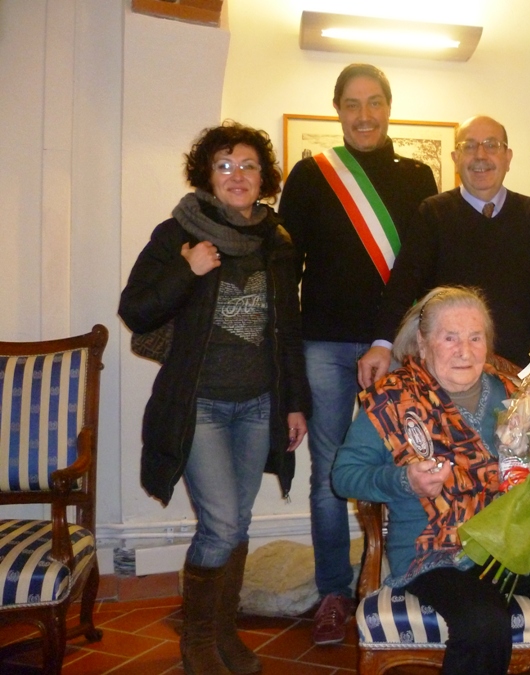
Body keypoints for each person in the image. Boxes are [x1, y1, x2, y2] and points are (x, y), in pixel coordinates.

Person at [333, 286, 530, 675]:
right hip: (439, 551)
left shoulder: (517, 393)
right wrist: (405, 480)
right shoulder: (391, 399)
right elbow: (344, 475)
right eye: (450, 338)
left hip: (519, 537)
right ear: (422, 344)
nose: (465, 350)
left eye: (475, 338)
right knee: (484, 621)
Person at [119, 121, 312, 675]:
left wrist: (295, 402)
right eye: (225, 165)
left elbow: (288, 331)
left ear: (263, 177)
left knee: (237, 521)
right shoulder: (176, 233)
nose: (237, 175)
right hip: (199, 405)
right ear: (207, 175)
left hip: (259, 404)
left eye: (248, 165)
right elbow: (136, 310)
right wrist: (187, 269)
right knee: (222, 523)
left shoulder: (277, 243)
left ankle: (224, 633)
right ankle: (198, 640)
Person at [278, 63, 438, 644]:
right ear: (338, 111)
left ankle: (407, 574)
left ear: (389, 108)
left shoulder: (418, 177)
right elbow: (285, 269)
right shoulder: (310, 175)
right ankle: (333, 591)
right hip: (322, 343)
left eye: (374, 103)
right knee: (329, 470)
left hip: (395, 345)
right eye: (352, 104)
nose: (364, 115)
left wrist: (403, 341)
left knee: (409, 459)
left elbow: (423, 268)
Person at [357, 115, 530, 389]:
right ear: (455, 158)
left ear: (508, 158)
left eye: (491, 145)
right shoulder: (432, 214)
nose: (480, 155)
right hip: (450, 371)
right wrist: (382, 344)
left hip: (522, 372)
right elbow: (402, 287)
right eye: (469, 146)